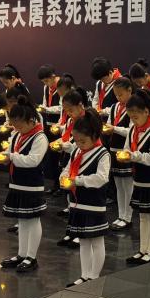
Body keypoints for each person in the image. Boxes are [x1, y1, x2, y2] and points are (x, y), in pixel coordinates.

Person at [61, 109, 110, 287]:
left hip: (94, 203)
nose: (79, 144)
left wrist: (77, 181)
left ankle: (94, 277)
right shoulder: (76, 151)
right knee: (83, 240)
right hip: (78, 202)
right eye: (76, 140)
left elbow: (101, 178)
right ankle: (84, 275)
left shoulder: (103, 154)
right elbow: (67, 168)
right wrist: (63, 177)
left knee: (96, 241)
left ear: (95, 136)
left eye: (83, 141)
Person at [118, 90, 150, 265]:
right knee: (143, 215)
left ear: (146, 112)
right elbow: (127, 148)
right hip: (139, 177)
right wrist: (125, 155)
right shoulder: (133, 129)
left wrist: (133, 156)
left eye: (136, 116)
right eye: (131, 116)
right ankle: (142, 250)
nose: (133, 120)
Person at [0, 96, 48, 273]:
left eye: (19, 125)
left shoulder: (40, 137)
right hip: (17, 182)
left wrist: (11, 157)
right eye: (14, 125)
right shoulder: (18, 135)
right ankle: (22, 254)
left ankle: (31, 257)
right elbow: (11, 152)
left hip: (32, 184)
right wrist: (5, 156)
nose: (16, 128)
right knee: (22, 219)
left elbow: (33, 161)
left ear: (30, 120)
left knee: (33, 220)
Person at [53, 87, 89, 248]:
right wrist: (59, 144)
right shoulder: (70, 121)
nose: (68, 113)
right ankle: (72, 231)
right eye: (66, 110)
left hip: (85, 159)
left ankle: (81, 234)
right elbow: (66, 139)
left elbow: (84, 144)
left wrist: (66, 146)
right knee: (71, 198)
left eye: (71, 110)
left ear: (80, 105)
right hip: (72, 158)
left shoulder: (88, 121)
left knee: (82, 199)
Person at [104, 76, 134, 231]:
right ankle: (121, 215)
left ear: (130, 90)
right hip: (114, 149)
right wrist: (107, 129)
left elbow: (132, 131)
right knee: (118, 185)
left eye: (121, 94)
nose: (118, 97)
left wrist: (114, 129)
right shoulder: (115, 107)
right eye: (116, 94)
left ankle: (128, 216)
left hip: (126, 150)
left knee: (127, 185)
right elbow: (110, 124)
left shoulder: (134, 107)